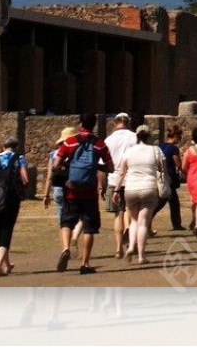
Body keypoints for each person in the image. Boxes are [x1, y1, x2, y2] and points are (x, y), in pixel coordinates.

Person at [52, 112, 114, 274]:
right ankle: (85, 264)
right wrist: (95, 167)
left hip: (71, 190)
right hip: (89, 192)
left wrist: (69, 166)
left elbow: (56, 163)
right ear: (94, 125)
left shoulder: (69, 142)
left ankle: (66, 248)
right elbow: (110, 168)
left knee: (66, 223)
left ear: (80, 124)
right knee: (89, 228)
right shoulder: (99, 144)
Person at [112, 124, 166, 264]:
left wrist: (117, 190)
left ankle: (130, 246)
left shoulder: (129, 152)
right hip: (148, 188)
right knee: (143, 223)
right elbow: (162, 169)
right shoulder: (156, 150)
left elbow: (122, 172)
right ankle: (141, 255)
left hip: (131, 189)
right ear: (148, 136)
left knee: (134, 221)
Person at [0, 135, 29, 276]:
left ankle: (6, 265)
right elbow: (25, 179)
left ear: (3, 146)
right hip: (11, 198)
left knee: (0, 231)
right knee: (7, 231)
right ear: (16, 147)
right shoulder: (19, 159)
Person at [41, 126, 82, 260]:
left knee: (63, 221)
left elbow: (50, 176)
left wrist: (46, 194)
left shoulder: (54, 154)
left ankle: (65, 248)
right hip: (74, 187)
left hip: (58, 189)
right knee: (81, 216)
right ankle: (75, 236)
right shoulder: (78, 151)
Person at [103, 112, 138, 258]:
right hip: (131, 179)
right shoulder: (135, 137)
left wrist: (101, 186)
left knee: (118, 215)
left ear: (115, 123)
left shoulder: (108, 140)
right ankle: (129, 231)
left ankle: (118, 249)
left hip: (113, 179)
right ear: (128, 122)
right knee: (130, 210)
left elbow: (103, 165)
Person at [152, 124, 186, 231]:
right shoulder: (173, 149)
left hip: (161, 176)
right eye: (179, 137)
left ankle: (177, 224)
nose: (180, 139)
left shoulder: (161, 146)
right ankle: (147, 218)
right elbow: (178, 164)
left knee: (172, 201)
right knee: (163, 201)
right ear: (175, 136)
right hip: (170, 177)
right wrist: (185, 172)